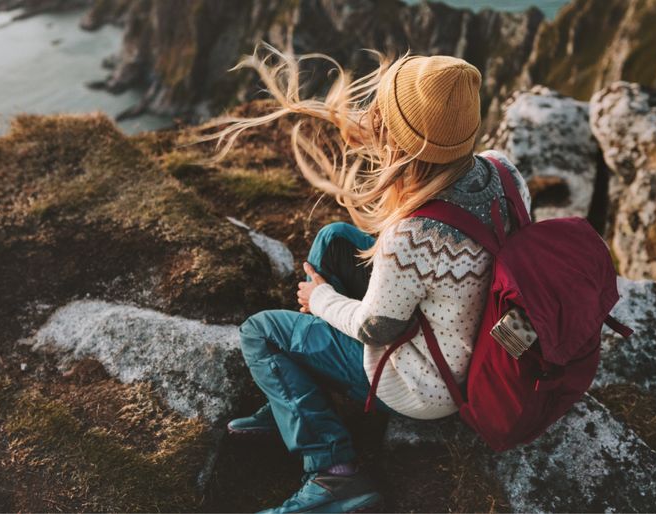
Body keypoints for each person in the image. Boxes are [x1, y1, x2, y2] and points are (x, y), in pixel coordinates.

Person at [203, 44, 531, 513]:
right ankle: (296, 402)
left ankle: (334, 473)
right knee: (337, 239)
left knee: (262, 332)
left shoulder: (415, 234)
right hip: (473, 343)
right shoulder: (503, 171)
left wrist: (319, 299)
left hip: (426, 388)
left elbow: (376, 328)